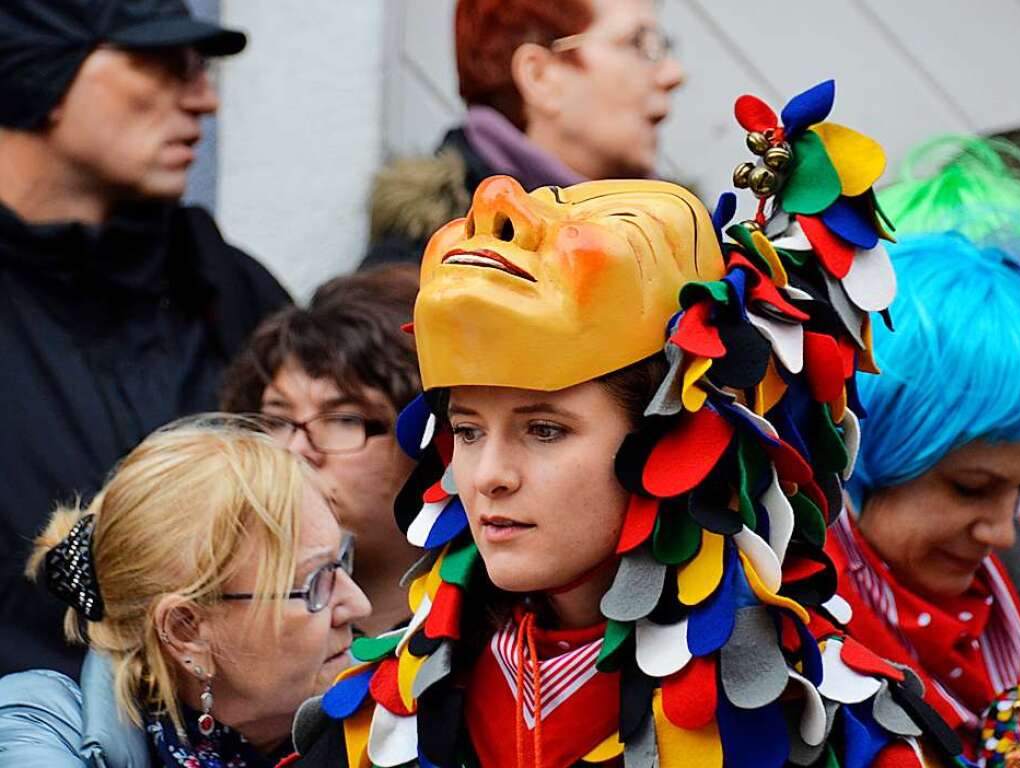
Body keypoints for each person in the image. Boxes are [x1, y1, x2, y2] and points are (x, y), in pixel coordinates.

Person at [287, 81, 962, 768]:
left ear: (676, 438)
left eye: (544, 430)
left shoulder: (823, 722)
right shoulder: (388, 716)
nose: (488, 477)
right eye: (466, 430)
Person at [0, 0, 291, 678]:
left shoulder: (221, 283)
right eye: (162, 64)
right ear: (42, 71)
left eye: (199, 66)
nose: (203, 99)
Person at [0, 416, 371, 767]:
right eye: (315, 583)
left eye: (342, 560)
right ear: (185, 631)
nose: (359, 605)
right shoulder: (38, 727)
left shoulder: (395, 718)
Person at [825, 137, 1020, 763]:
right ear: (872, 448)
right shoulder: (785, 656)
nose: (1002, 533)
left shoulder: (999, 607)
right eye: (971, 487)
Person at [362, 0, 685, 268]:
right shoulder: (419, 291)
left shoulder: (691, 252)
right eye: (641, 44)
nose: (675, 74)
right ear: (539, 76)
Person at [221, 266, 421, 635]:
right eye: (277, 420)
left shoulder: (510, 653)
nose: (295, 449)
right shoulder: (215, 632)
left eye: (344, 419)